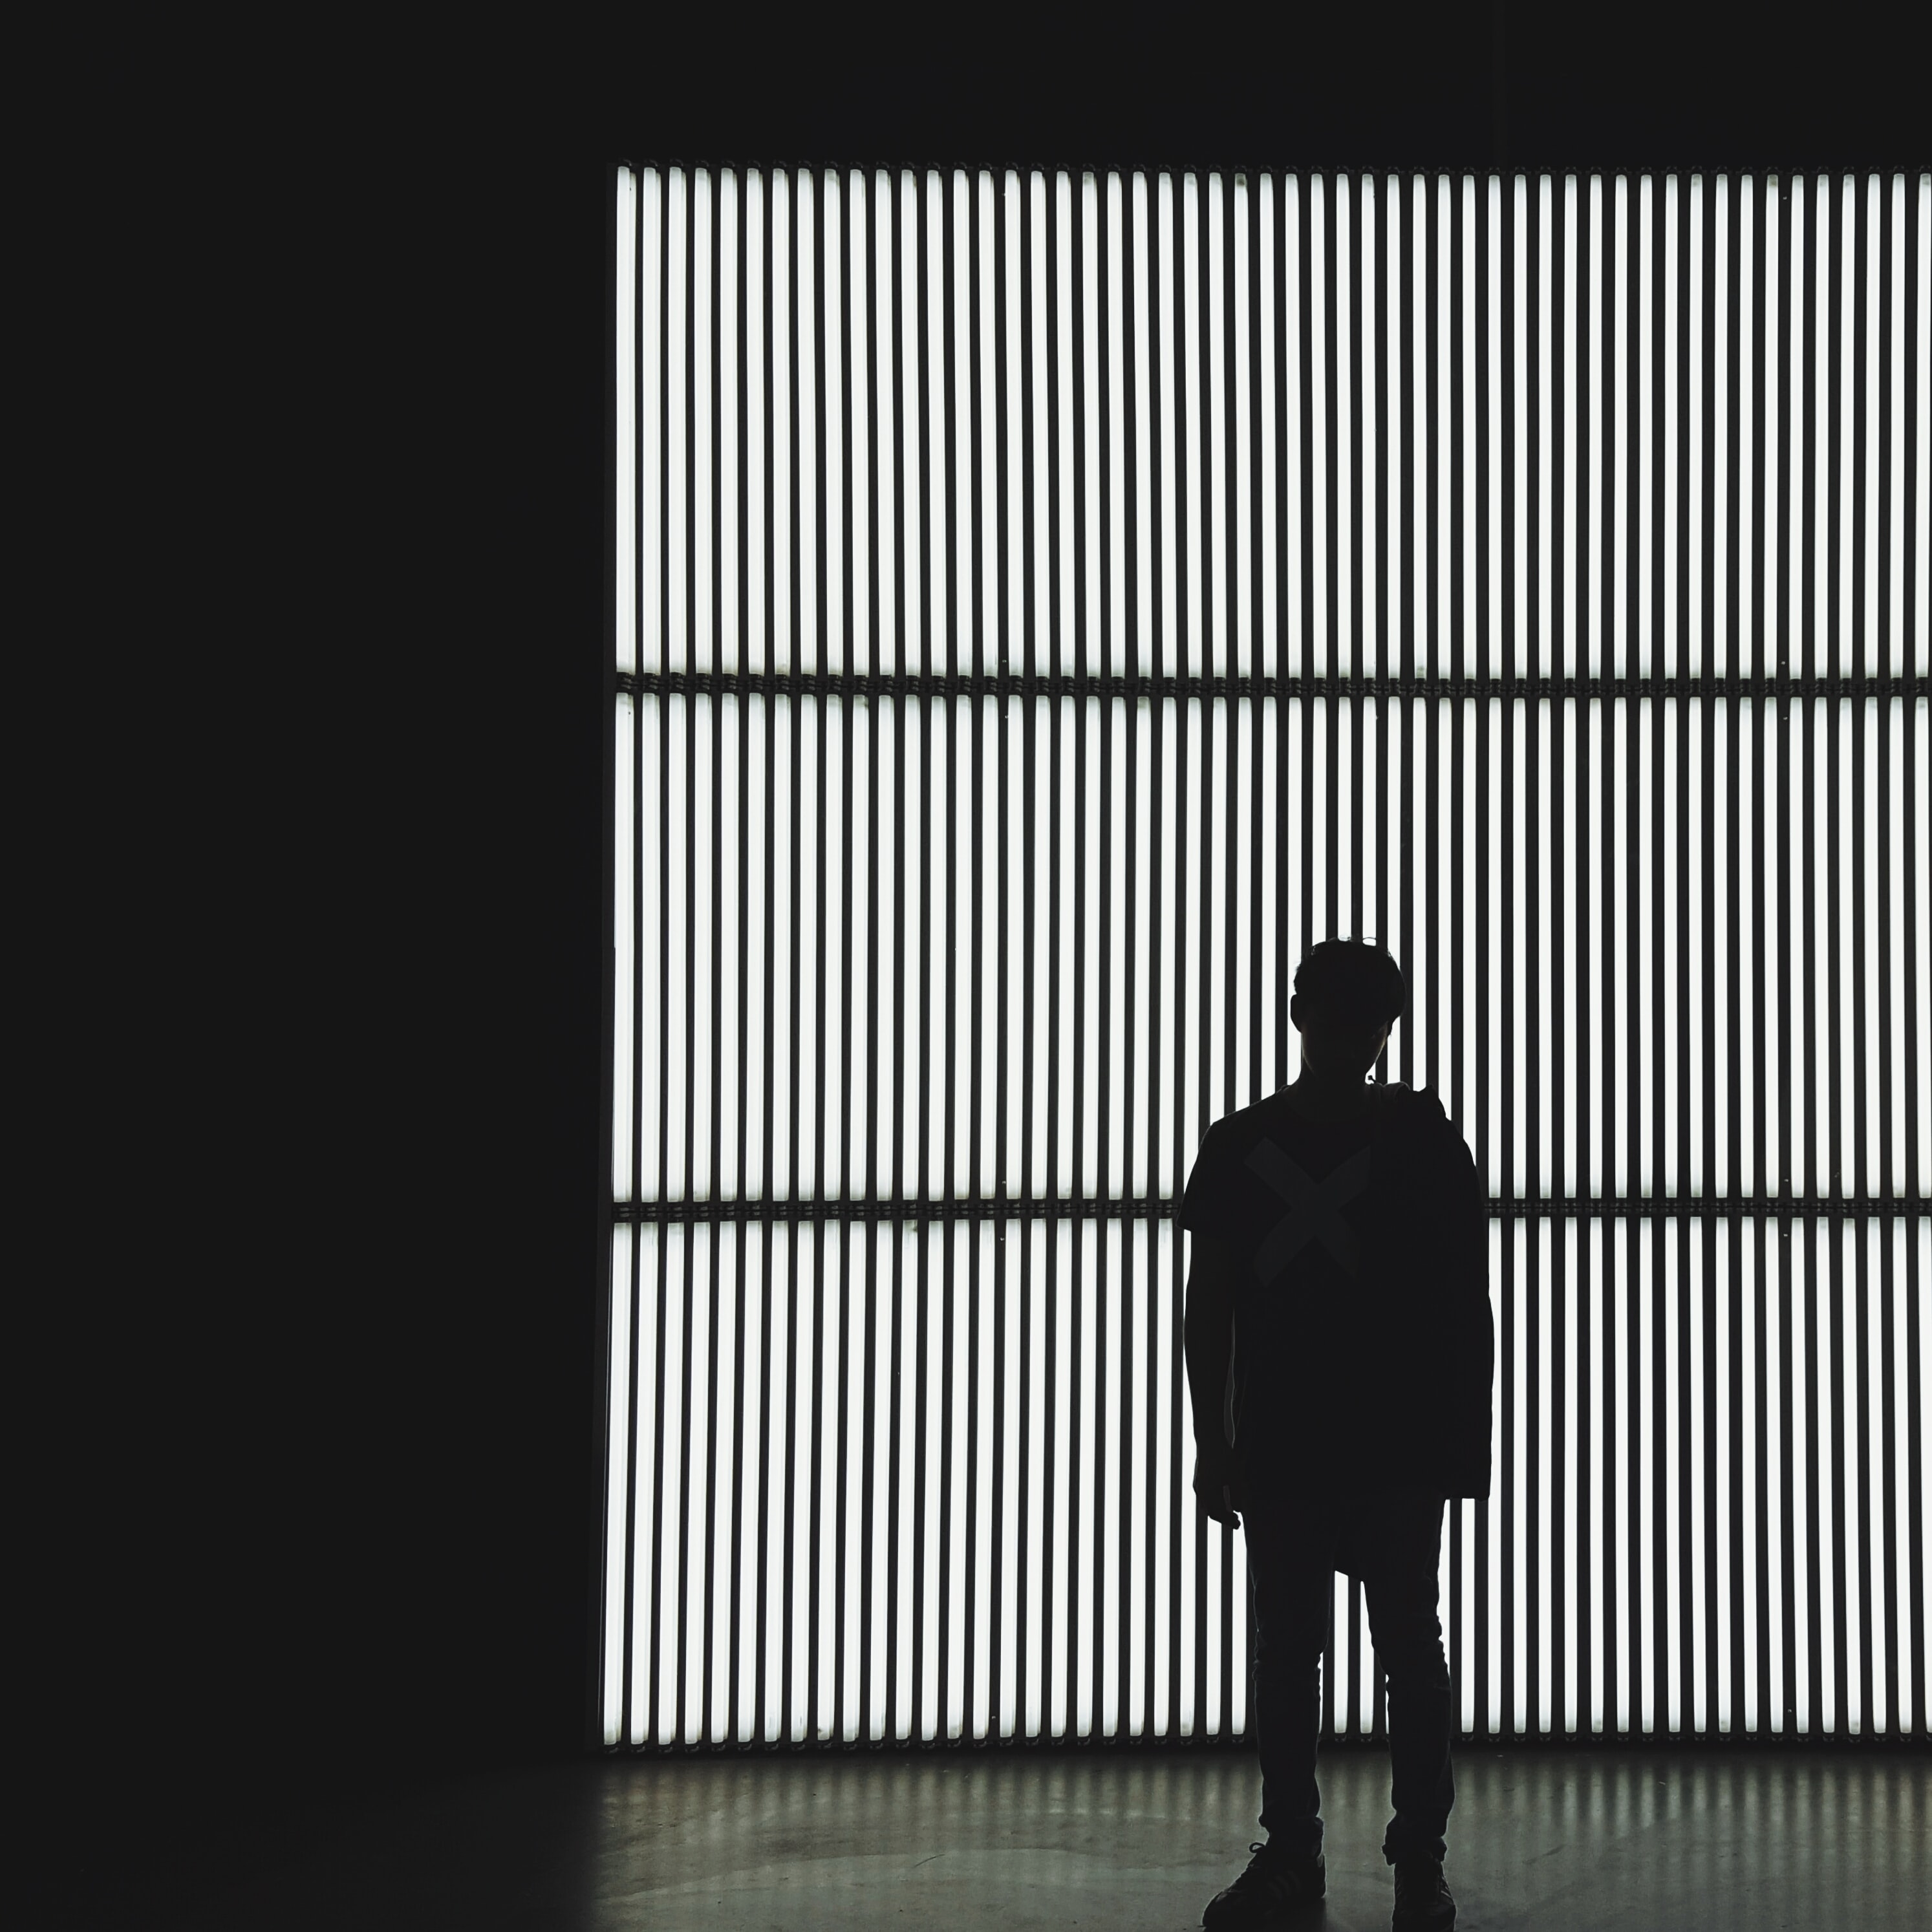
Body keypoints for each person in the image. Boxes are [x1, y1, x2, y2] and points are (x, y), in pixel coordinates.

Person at [1179, 938, 1494, 1931]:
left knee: (1301, 1650)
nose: (1348, 1035)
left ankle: (1300, 1853)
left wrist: (1215, 1439)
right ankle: (1409, 1862)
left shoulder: (1241, 1148)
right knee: (1398, 1643)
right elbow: (1464, 1302)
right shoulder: (1416, 1144)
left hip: (1310, 1437)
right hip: (1371, 1436)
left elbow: (1211, 1306)